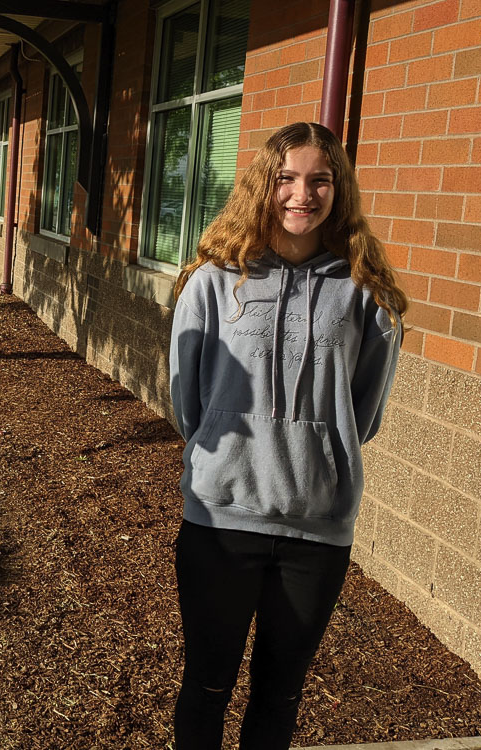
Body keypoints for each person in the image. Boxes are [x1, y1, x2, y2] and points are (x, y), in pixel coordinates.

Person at [169, 121, 407, 750]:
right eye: (287, 179)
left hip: (317, 530)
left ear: (339, 191)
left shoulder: (365, 295)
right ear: (263, 187)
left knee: (280, 694)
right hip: (220, 523)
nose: (302, 194)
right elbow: (187, 401)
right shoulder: (216, 281)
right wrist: (230, 452)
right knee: (207, 687)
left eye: (319, 180)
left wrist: (316, 450)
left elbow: (366, 413)